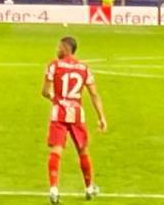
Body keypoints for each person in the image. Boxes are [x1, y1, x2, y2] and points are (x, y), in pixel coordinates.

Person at [43, 36, 106, 204]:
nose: (57, 50)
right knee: (83, 151)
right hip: (77, 113)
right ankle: (89, 188)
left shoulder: (54, 65)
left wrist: (54, 98)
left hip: (59, 112)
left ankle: (54, 189)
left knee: (56, 150)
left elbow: (45, 91)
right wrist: (101, 117)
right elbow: (94, 94)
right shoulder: (84, 68)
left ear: (65, 48)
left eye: (59, 47)